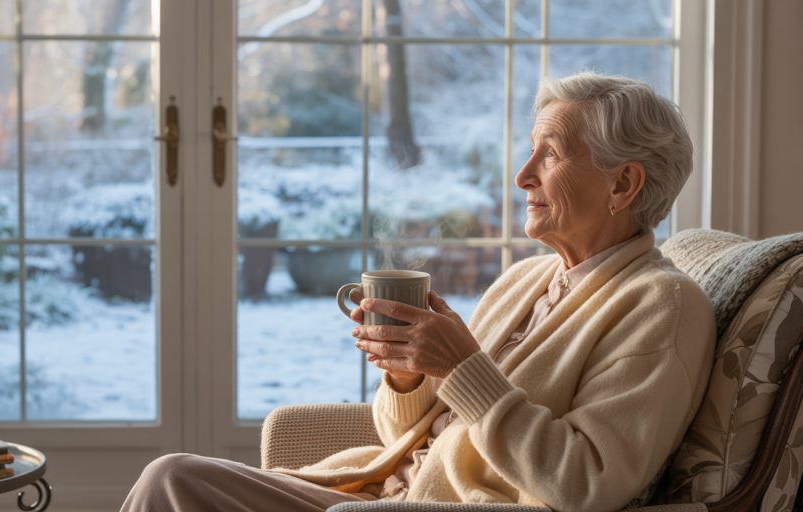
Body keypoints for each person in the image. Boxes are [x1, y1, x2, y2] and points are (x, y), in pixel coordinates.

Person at [120, 72, 716, 512]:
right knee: (169, 476)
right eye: (530, 149)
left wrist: (463, 367)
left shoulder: (662, 307)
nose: (522, 174)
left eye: (551, 153)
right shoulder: (528, 279)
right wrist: (408, 377)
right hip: (379, 486)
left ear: (624, 184)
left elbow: (587, 484)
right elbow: (405, 434)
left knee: (172, 483)